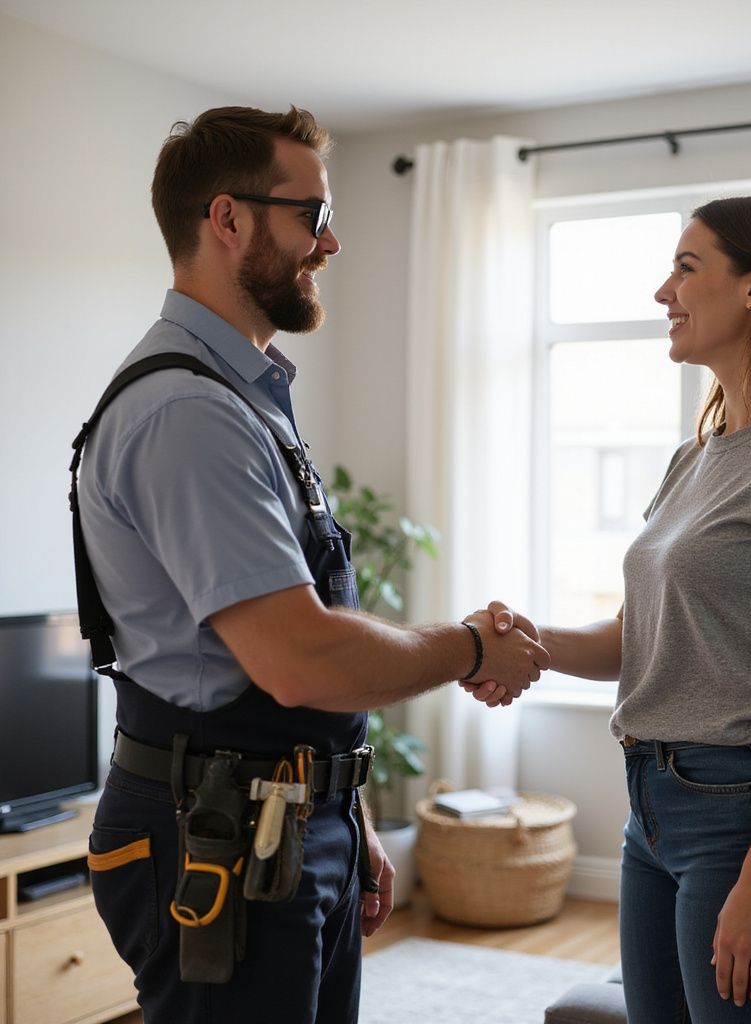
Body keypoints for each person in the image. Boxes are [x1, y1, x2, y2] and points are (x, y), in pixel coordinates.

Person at [71, 105, 547, 1024]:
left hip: (278, 816)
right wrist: (471, 650)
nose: (329, 243)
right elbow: (300, 657)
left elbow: (287, 643)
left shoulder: (246, 398)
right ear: (228, 220)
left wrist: (345, 814)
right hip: (215, 834)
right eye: (311, 215)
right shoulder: (187, 414)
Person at [469, 195, 751, 1022]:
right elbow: (641, 639)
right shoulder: (692, 460)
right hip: (653, 815)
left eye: (686, 269)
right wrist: (531, 642)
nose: (664, 293)